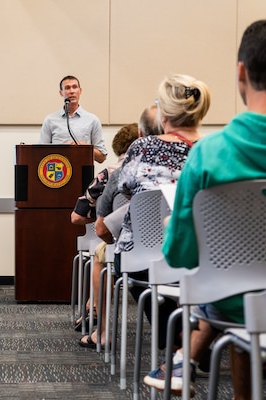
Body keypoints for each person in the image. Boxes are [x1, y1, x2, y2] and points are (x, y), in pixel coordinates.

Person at [144, 20, 266, 399]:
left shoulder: (209, 155)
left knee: (238, 306)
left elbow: (180, 253)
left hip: (232, 300)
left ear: (241, 73)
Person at [77, 106, 161, 344]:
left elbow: (92, 224)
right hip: (178, 253)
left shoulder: (117, 174)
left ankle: (102, 331)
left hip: (134, 252)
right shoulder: (186, 169)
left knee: (101, 255)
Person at [39, 75, 108, 163]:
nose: (71, 91)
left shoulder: (92, 120)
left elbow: (101, 157)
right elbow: (40, 153)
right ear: (61, 93)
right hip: (57, 172)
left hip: (83, 173)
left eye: (75, 87)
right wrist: (62, 150)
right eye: (67, 88)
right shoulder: (50, 120)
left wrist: (85, 148)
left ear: (80, 91)